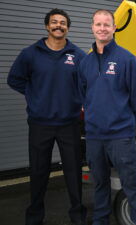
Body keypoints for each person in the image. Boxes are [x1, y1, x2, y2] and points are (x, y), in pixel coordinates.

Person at [7, 8, 87, 225]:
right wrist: (35, 95)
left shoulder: (78, 55)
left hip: (69, 124)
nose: (58, 25)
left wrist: (77, 100)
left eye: (62, 22)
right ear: (47, 26)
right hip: (40, 124)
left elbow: (86, 84)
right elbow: (14, 79)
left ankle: (78, 217)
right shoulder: (30, 53)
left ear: (68, 27)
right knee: (38, 172)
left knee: (73, 173)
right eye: (54, 22)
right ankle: (34, 218)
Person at [78, 9, 136, 225]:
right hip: (94, 137)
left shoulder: (127, 60)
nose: (102, 28)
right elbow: (84, 96)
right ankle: (101, 221)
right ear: (92, 27)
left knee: (132, 185)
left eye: (106, 24)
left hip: (120, 137)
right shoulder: (86, 63)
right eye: (98, 24)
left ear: (114, 27)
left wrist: (124, 124)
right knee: (99, 184)